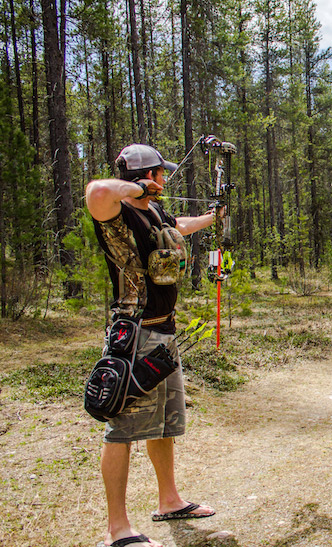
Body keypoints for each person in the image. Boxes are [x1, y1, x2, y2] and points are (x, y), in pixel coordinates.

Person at [86, 144, 219, 547]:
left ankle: (169, 500)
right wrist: (133, 189)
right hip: (135, 337)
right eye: (160, 174)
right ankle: (118, 530)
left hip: (163, 333)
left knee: (163, 425)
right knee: (122, 430)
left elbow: (180, 223)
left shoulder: (155, 212)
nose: (164, 181)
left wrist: (214, 218)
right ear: (146, 175)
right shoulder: (118, 211)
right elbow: (95, 192)